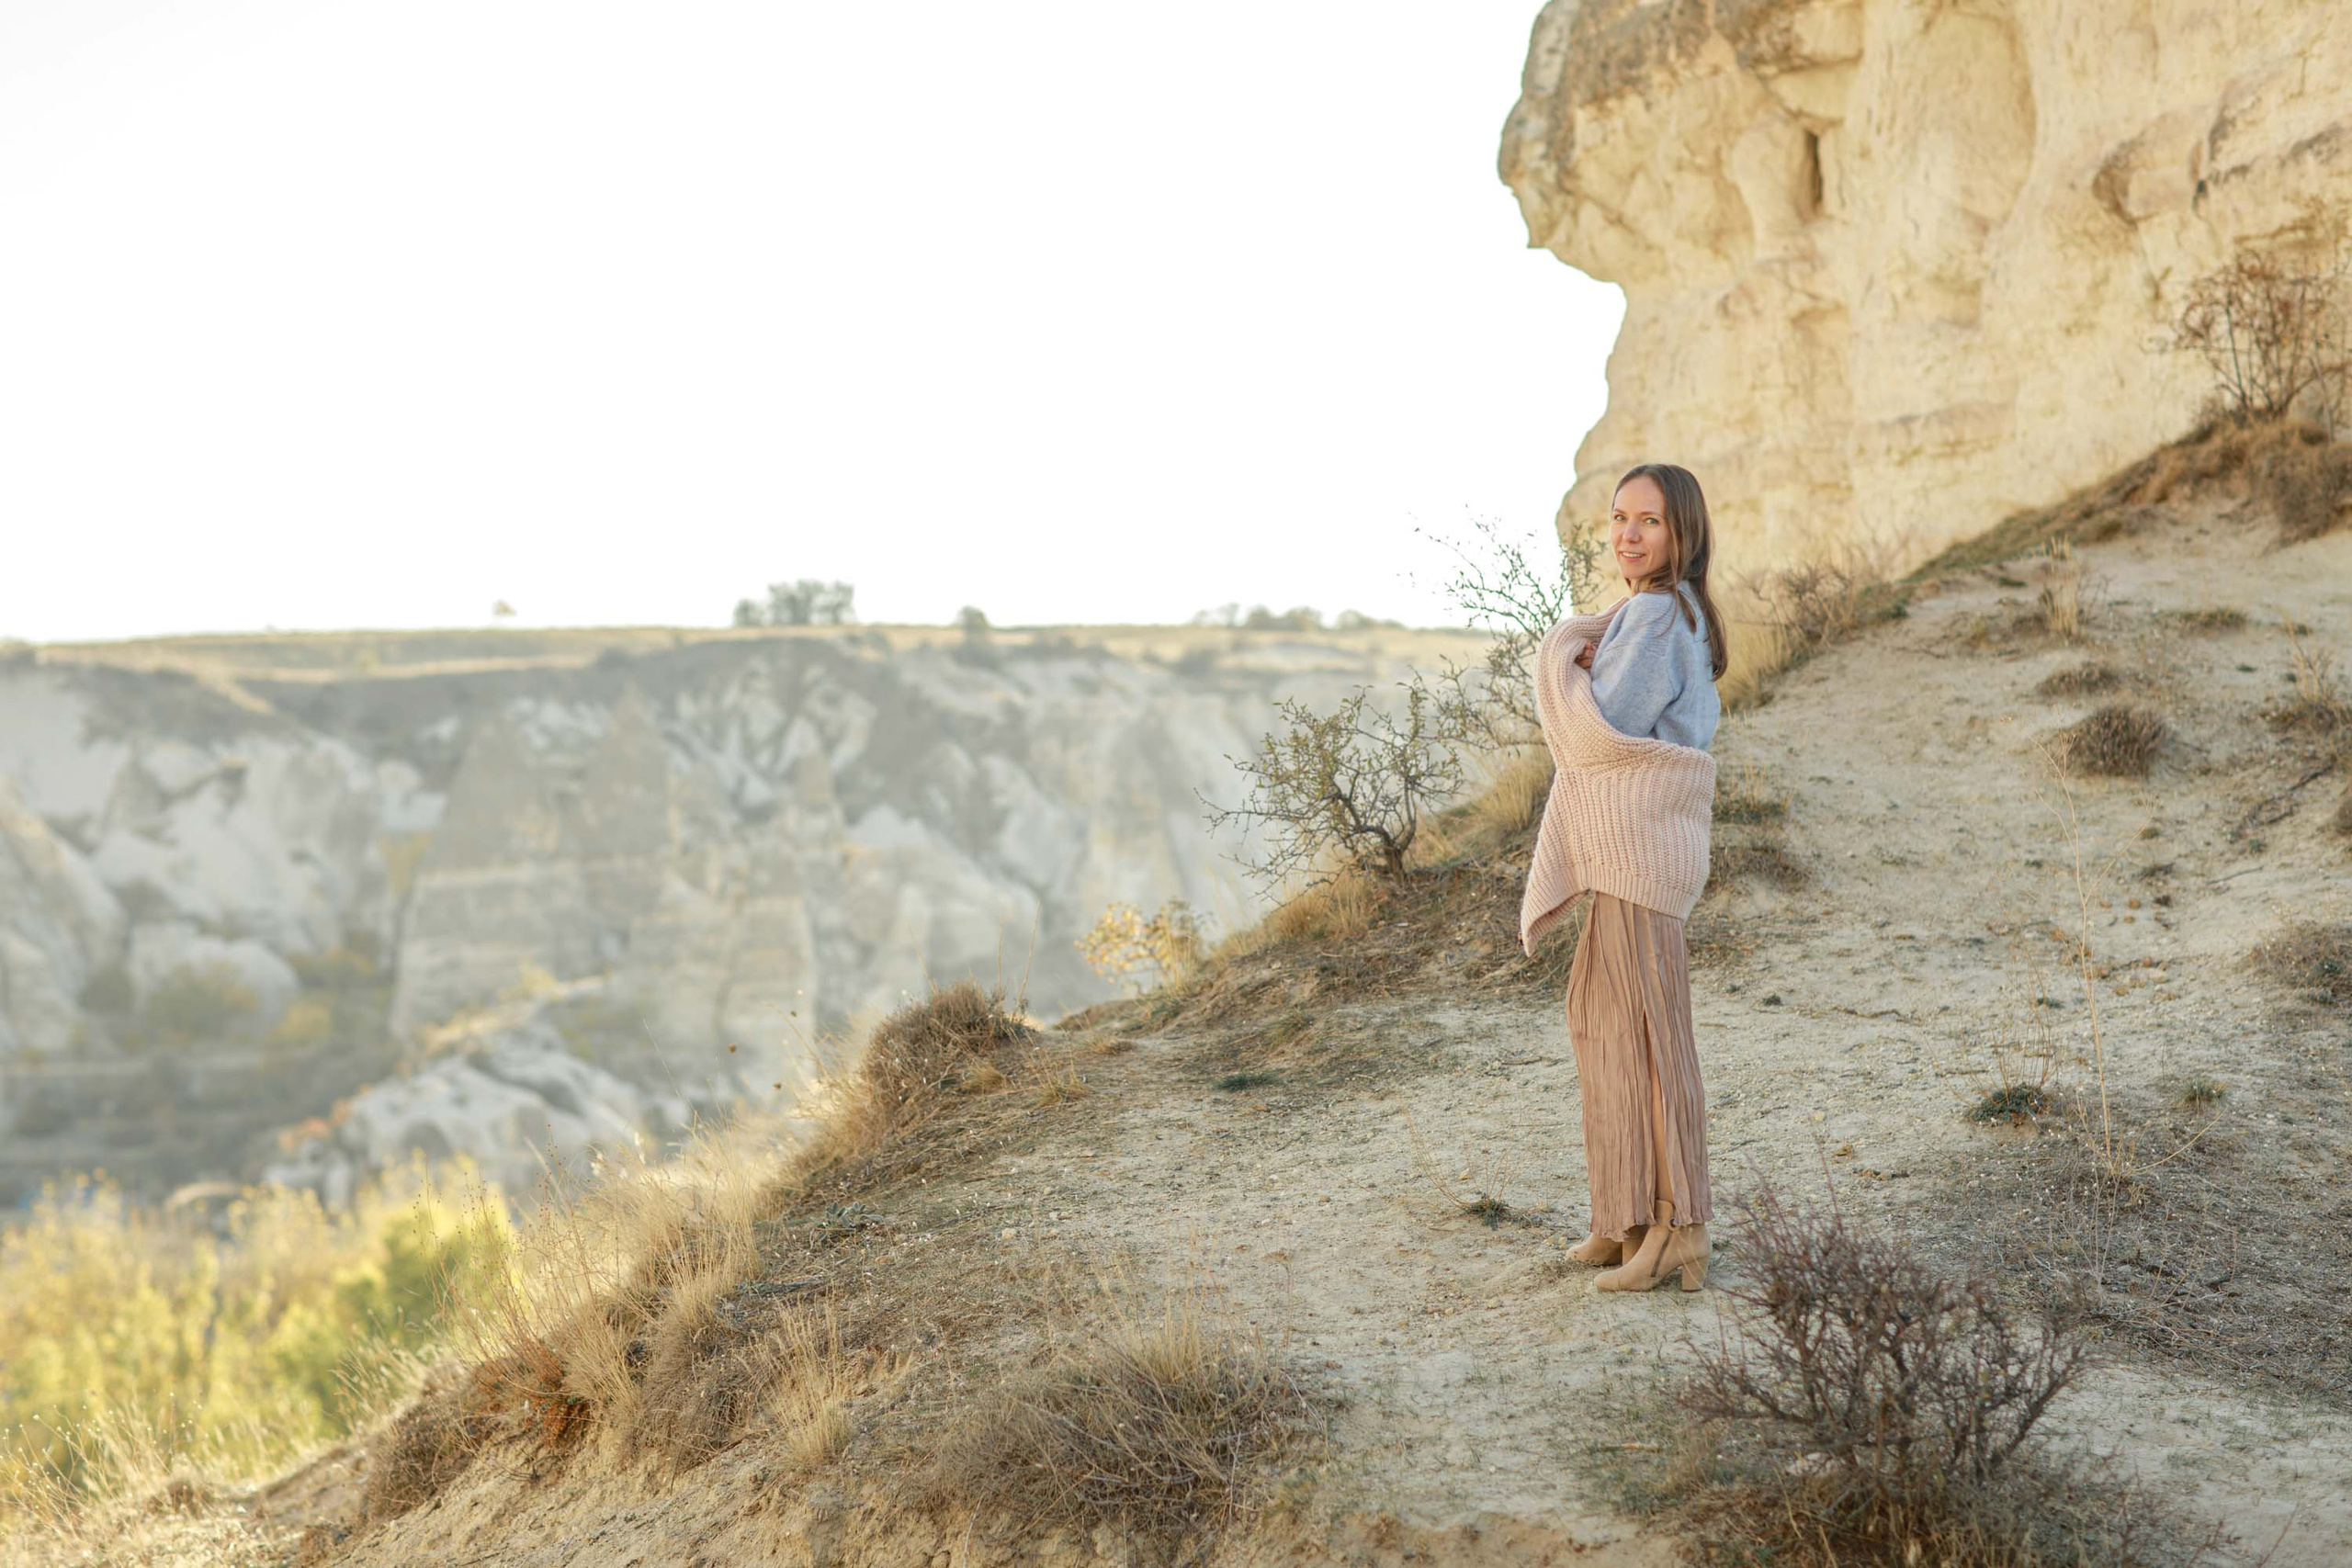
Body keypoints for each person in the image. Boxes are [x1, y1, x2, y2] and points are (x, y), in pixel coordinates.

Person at [1521, 461, 1726, 1292]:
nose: (1628, 534)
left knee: (1649, 1042)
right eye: (1618, 517)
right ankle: (1627, 1213)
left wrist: (1564, 651)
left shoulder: (1652, 613)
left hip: (1641, 857)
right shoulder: (1669, 613)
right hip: (1634, 853)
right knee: (1603, 1021)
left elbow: (1599, 728)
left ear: (1682, 535)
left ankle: (1681, 1228)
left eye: (1648, 521)